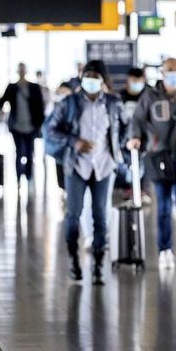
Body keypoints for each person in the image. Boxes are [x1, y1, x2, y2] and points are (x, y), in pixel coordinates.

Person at [44, 60, 123, 284]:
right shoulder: (69, 103)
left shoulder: (113, 104)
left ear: (103, 80)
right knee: (74, 214)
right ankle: (73, 261)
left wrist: (120, 151)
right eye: (88, 75)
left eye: (96, 76)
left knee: (100, 214)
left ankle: (98, 264)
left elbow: (124, 128)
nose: (91, 80)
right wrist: (74, 142)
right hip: (76, 165)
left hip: (104, 166)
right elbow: (50, 130)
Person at [126, 57, 176, 270]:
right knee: (164, 207)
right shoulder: (150, 96)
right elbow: (137, 120)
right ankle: (165, 250)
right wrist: (135, 137)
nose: (175, 74)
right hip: (158, 158)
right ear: (162, 72)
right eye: (170, 70)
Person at [0, 63, 46, 183]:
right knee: (19, 151)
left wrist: (39, 124)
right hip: (16, 126)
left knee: (29, 152)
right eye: (20, 69)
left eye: (23, 69)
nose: (21, 71)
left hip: (31, 125)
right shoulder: (12, 87)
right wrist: (1, 111)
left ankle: (28, 176)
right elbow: (2, 101)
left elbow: (40, 107)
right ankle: (19, 177)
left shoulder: (34, 87)